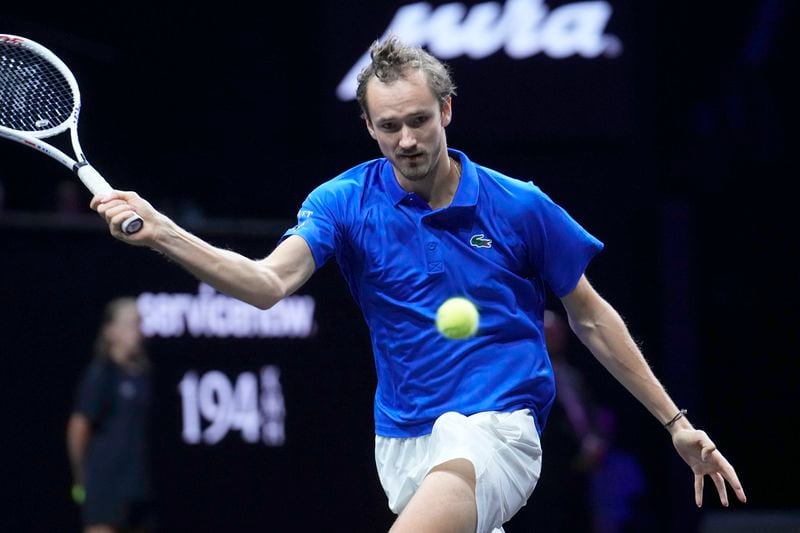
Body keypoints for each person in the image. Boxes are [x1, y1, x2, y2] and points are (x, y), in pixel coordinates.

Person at [90, 35, 746, 533]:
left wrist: (675, 422)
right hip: (401, 441)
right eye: (389, 125)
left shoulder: (519, 206)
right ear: (369, 127)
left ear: (447, 109)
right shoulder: (343, 201)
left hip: (495, 430)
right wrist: (163, 232)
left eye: (419, 120)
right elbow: (267, 284)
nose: (407, 139)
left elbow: (593, 316)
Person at [66, 297, 155, 533]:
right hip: (105, 489)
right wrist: (82, 479)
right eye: (132, 324)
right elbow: (78, 428)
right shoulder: (100, 374)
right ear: (111, 331)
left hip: (138, 489)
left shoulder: (142, 375)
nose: (138, 331)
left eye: (140, 323)